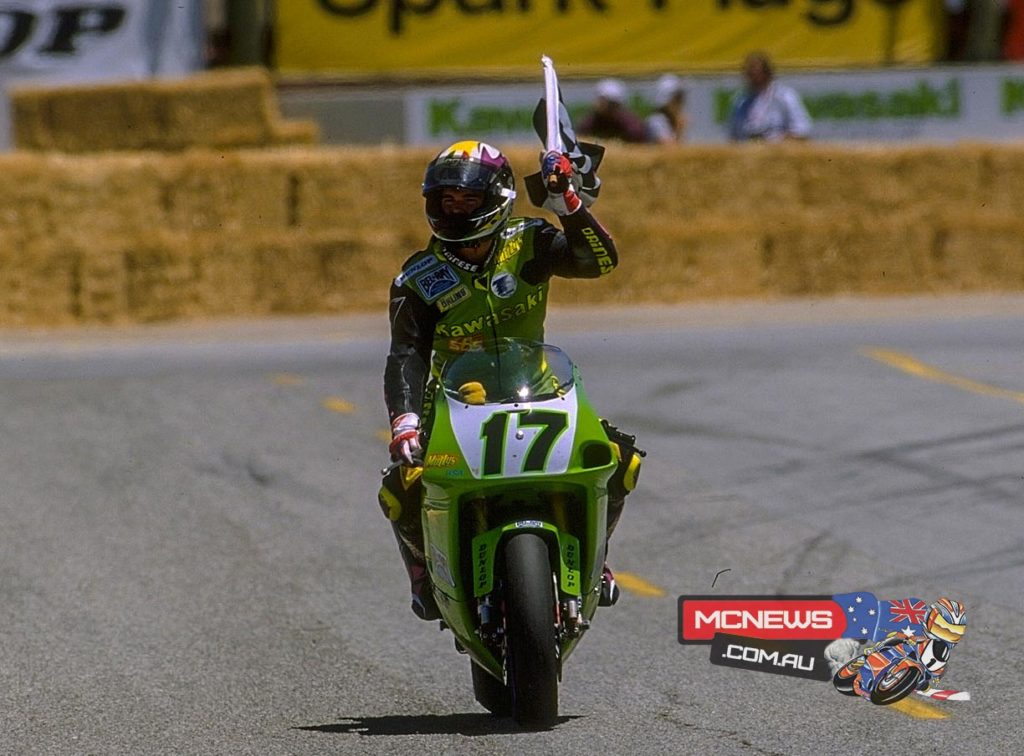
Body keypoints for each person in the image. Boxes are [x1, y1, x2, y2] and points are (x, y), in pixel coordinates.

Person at [379, 140, 642, 621]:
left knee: (619, 459)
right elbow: (406, 355)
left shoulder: (530, 244)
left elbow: (599, 262)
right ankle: (422, 572)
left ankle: (596, 553)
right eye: (446, 201)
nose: (455, 209)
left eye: (468, 200)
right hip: (455, 408)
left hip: (539, 394)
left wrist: (570, 204)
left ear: (496, 198)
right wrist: (406, 423)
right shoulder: (417, 279)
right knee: (401, 485)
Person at [728, 52, 812, 142]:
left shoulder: (785, 96)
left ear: (767, 72)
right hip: (748, 152)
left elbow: (803, 131)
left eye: (756, 72)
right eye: (749, 73)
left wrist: (775, 142)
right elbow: (733, 136)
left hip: (778, 151)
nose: (753, 77)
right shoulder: (740, 100)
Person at [578, 78, 648, 144]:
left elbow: (638, 140)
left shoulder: (631, 126)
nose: (599, 104)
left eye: (603, 100)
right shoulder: (591, 122)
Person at [646, 74, 688, 145]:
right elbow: (670, 151)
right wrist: (679, 130)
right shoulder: (656, 121)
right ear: (665, 100)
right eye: (678, 98)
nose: (681, 102)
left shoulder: (671, 120)